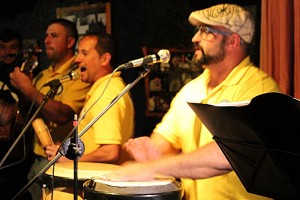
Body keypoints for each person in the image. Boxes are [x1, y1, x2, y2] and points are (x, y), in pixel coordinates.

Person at [100, 4, 281, 200]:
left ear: (232, 42)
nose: (195, 38)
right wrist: (150, 153)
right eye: (198, 31)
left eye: (206, 31)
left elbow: (225, 157)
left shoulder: (259, 89)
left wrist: (150, 167)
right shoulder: (191, 90)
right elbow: (163, 144)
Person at [44, 33, 134, 197]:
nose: (77, 59)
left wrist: (71, 160)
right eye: (78, 53)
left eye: (84, 53)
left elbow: (111, 151)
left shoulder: (106, 93)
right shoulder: (105, 89)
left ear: (105, 59)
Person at [10, 18, 91, 200]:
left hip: (62, 160)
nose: (46, 40)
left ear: (70, 42)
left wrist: (28, 89)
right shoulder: (42, 75)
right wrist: (21, 93)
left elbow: (63, 115)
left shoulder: (79, 75)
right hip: (36, 157)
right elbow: (28, 114)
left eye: (54, 36)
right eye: (46, 35)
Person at [0, 28, 33, 200]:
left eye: (12, 47)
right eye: (2, 47)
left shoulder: (26, 74)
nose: (7, 52)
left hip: (19, 152)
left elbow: (32, 107)